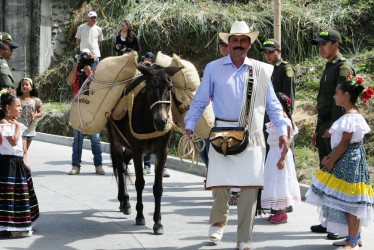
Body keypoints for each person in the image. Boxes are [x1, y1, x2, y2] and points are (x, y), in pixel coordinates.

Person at [184, 21, 289, 250]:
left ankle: (244, 239)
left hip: (252, 137)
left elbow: (272, 104)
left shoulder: (261, 70)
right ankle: (219, 220)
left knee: (250, 190)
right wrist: (190, 123)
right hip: (222, 134)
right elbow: (201, 99)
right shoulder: (213, 68)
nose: (239, 45)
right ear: (228, 43)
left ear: (249, 44)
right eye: (235, 40)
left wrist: (283, 130)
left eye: (243, 41)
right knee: (220, 184)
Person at [305, 76, 373, 250]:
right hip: (347, 158)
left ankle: (351, 240)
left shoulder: (351, 116)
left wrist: (331, 161)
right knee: (348, 200)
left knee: (351, 201)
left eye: (337, 93)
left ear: (346, 95)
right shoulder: (349, 114)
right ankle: (354, 236)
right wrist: (330, 157)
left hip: (349, 160)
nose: (334, 96)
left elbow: (345, 142)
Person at [310, 29, 355, 239]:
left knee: (336, 176)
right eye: (319, 44)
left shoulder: (343, 68)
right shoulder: (330, 66)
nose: (321, 47)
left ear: (335, 45)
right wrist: (317, 130)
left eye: (324, 44)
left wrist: (333, 128)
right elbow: (324, 102)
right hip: (325, 128)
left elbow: (344, 102)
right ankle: (328, 221)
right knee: (326, 175)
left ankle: (339, 228)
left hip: (335, 130)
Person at [261, 38, 296, 214]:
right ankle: (275, 199)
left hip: (280, 121)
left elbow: (287, 99)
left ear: (279, 52)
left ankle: (285, 201)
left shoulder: (285, 70)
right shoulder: (266, 69)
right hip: (268, 120)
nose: (267, 55)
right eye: (265, 52)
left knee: (283, 162)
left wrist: (284, 121)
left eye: (271, 52)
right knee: (271, 161)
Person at [0, 91, 39, 237]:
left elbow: (23, 147)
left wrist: (25, 161)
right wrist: (17, 127)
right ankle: (11, 228)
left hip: (17, 162)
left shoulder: (17, 123)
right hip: (8, 163)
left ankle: (18, 225)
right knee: (10, 195)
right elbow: (13, 141)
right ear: (8, 108)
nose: (20, 108)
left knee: (20, 195)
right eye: (17, 106)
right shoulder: (4, 122)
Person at [260, 92, 301, 223]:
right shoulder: (277, 120)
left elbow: (287, 141)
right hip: (273, 153)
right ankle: (278, 211)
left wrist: (282, 158)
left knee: (281, 181)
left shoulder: (284, 120)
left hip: (280, 154)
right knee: (274, 181)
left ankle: (282, 212)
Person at [66, 49, 105, 175]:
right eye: (82, 56)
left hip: (92, 109)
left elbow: (99, 85)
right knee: (78, 140)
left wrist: (90, 72)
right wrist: (76, 65)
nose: (84, 58)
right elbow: (69, 82)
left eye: (87, 56)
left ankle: (98, 165)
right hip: (78, 108)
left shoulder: (95, 71)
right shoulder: (76, 70)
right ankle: (75, 166)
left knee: (95, 139)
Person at [140, 52, 170, 178]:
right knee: (147, 138)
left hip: (159, 107)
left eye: (146, 59)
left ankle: (163, 168)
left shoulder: (159, 72)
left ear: (151, 59)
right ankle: (147, 165)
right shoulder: (146, 72)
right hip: (149, 110)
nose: (145, 61)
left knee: (162, 142)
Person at [16, 78, 43, 167]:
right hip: (20, 129)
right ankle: (24, 167)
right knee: (24, 150)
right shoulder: (17, 100)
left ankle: (20, 166)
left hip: (30, 129)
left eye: (26, 84)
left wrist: (35, 115)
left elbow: (40, 113)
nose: (24, 86)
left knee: (24, 150)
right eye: (22, 85)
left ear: (31, 87)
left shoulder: (36, 100)